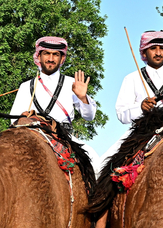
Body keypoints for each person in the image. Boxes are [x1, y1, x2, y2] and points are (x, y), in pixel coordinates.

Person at [91, 30, 163, 228]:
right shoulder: (131, 78)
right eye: (153, 49)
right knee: (106, 163)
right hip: (142, 132)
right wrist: (140, 107)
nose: (158, 53)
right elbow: (121, 113)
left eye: (162, 49)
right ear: (144, 52)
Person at [8, 36, 99, 165]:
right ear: (39, 56)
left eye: (55, 54)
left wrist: (82, 97)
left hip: (64, 139)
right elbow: (13, 120)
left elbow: (89, 116)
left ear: (62, 58)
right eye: (46, 54)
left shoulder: (72, 83)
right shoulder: (26, 86)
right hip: (33, 138)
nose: (50, 59)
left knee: (94, 160)